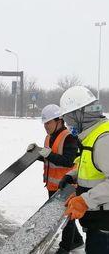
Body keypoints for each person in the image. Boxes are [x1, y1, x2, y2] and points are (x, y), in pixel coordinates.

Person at [58, 86, 109, 254]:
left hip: (105, 224)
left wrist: (84, 200)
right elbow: (89, 163)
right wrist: (72, 176)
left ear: (80, 115)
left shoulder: (103, 139)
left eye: (69, 119)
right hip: (97, 219)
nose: (67, 124)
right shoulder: (92, 134)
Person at [27, 104, 83, 253]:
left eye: (48, 123)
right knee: (64, 216)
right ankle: (76, 241)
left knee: (66, 218)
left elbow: (68, 160)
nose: (46, 126)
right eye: (44, 123)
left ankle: (65, 248)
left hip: (67, 185)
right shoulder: (49, 137)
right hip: (53, 185)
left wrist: (48, 154)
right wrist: (37, 152)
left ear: (59, 120)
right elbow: (49, 159)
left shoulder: (69, 137)